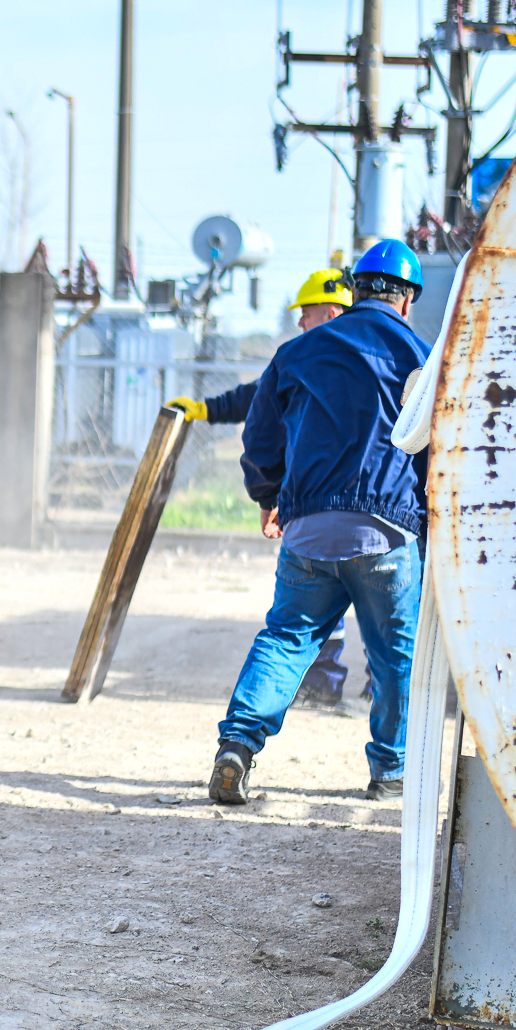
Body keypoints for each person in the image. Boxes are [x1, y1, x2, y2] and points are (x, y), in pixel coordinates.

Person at [206, 240, 429, 805]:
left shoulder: (298, 351)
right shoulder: (424, 359)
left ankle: (237, 745)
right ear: (407, 301)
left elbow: (260, 435)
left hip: (307, 529)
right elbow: (439, 449)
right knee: (394, 657)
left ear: (355, 291)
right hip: (387, 533)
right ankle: (390, 773)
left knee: (285, 638)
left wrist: (268, 494)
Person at [168, 268, 358, 706]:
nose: (300, 321)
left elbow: (262, 418)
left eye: (306, 312)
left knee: (314, 603)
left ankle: (321, 684)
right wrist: (206, 409)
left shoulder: (314, 360)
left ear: (330, 313)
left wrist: (267, 494)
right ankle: (356, 689)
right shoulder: (372, 357)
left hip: (321, 505)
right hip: (380, 509)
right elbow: (261, 396)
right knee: (380, 612)